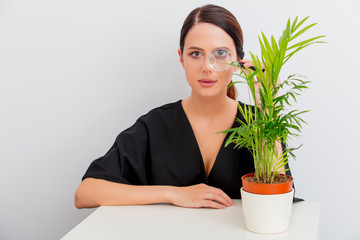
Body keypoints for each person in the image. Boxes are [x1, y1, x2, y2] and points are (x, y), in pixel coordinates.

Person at [75, 4, 265, 210]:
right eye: (195, 54)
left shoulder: (259, 122)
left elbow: (280, 198)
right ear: (181, 57)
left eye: (220, 53)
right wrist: (173, 193)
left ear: (238, 61)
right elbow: (86, 193)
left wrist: (267, 106)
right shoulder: (154, 125)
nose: (207, 67)